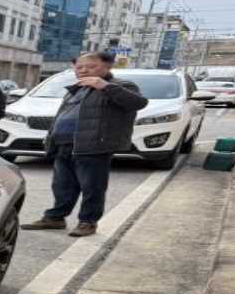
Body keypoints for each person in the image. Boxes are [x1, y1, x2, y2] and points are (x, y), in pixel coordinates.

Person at [22, 51, 148, 237]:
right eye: (79, 67)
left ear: (107, 66)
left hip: (93, 145)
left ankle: (88, 222)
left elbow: (138, 103)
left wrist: (105, 86)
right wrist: (51, 138)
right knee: (62, 185)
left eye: (91, 66)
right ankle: (55, 218)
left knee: (92, 187)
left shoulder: (121, 85)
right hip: (64, 144)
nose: (83, 70)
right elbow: (62, 116)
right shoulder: (77, 88)